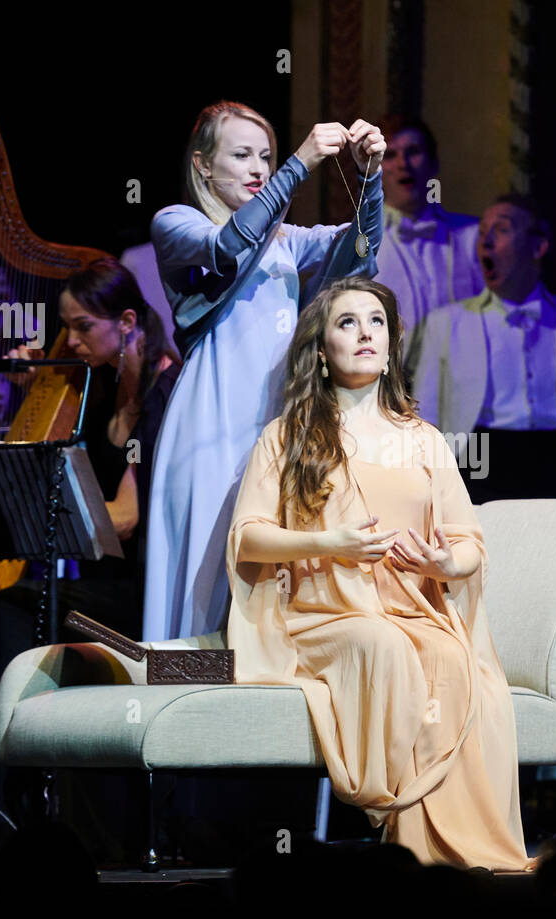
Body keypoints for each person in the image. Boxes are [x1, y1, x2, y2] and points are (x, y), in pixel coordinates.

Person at [225, 275, 536, 871]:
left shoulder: (423, 441)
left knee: (450, 660)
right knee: (385, 646)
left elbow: (468, 539)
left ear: (392, 343)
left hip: (411, 612)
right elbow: (248, 539)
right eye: (347, 322)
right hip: (320, 619)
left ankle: (458, 855)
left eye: (376, 322)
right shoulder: (288, 437)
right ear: (321, 350)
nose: (365, 333)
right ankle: (405, 834)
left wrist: (448, 562)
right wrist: (329, 543)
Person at [0, 258, 178, 832]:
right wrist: (31, 385)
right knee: (14, 607)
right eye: (65, 328)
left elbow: (125, 519)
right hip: (103, 587)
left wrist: (42, 508)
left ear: (127, 322)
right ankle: (4, 793)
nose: (69, 340)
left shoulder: (163, 389)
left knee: (15, 607)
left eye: (81, 327)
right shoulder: (95, 385)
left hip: (142, 602)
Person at [143, 101, 385, 641]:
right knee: (203, 584)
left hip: (275, 421)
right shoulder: (176, 223)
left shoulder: (287, 241)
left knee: (269, 573)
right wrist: (296, 164)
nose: (258, 168)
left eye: (266, 156)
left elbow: (362, 255)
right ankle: (185, 699)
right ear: (203, 165)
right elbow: (227, 247)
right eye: (243, 155)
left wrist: (371, 179)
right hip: (209, 419)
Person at [409, 195, 556, 501]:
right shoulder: (446, 322)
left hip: (550, 459)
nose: (485, 240)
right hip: (480, 457)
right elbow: (425, 419)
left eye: (501, 229)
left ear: (538, 247)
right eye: (482, 231)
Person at [374, 115, 482, 350]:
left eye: (413, 151)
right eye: (390, 155)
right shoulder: (362, 244)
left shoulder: (473, 237)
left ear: (434, 163)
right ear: (376, 169)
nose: (403, 164)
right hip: (389, 382)